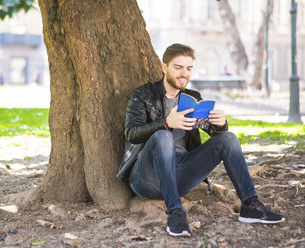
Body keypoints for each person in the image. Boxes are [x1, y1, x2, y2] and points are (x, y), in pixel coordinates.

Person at [118, 43, 284, 237]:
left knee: (228, 138)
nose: (184, 74)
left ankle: (251, 205)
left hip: (182, 175)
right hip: (147, 178)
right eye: (178, 67)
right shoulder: (143, 95)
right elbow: (131, 133)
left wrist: (220, 124)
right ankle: (176, 214)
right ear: (164, 68)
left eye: (189, 69)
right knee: (163, 136)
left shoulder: (192, 97)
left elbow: (213, 134)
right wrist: (165, 123)